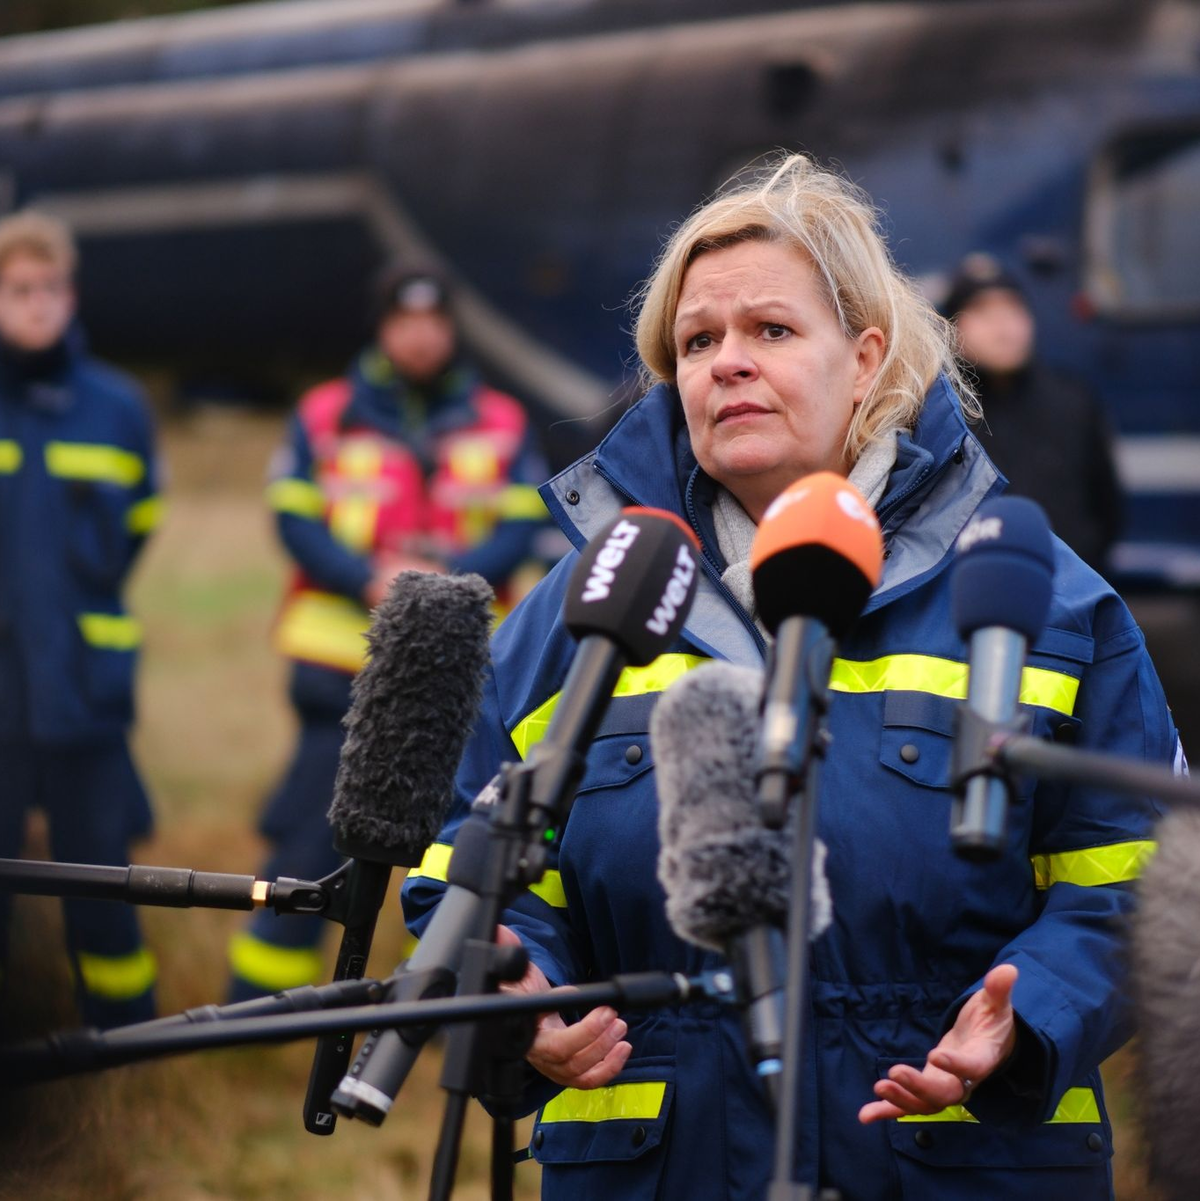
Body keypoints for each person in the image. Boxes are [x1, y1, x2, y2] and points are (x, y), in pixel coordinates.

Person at [402, 157, 1182, 1200]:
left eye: (771, 331)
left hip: (952, 1163)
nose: (727, 363)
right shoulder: (574, 612)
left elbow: (1139, 876)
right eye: (696, 341)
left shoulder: (1048, 604)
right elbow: (480, 864)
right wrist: (516, 987)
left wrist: (1033, 1007)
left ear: (865, 359)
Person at [227, 261, 548, 1001]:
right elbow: (294, 518)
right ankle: (254, 1004)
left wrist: (447, 586)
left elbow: (524, 526)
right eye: (406, 320)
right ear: (381, 326)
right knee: (312, 833)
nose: (421, 335)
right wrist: (368, 579)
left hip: (460, 669)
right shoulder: (323, 414)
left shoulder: (501, 419)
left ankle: (441, 1004)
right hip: (337, 662)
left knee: (458, 841)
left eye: (435, 321)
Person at [0, 210, 162, 1029]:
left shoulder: (117, 405)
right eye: (19, 289)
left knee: (101, 877)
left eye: (50, 288)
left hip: (85, 686)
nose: (37, 304)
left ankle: (123, 1035)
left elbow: (135, 524)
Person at [943, 253, 1123, 573]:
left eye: (1013, 310)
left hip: (1069, 598)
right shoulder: (940, 414)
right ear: (953, 329)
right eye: (983, 312)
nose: (1003, 326)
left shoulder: (1072, 402)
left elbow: (1107, 508)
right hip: (972, 599)